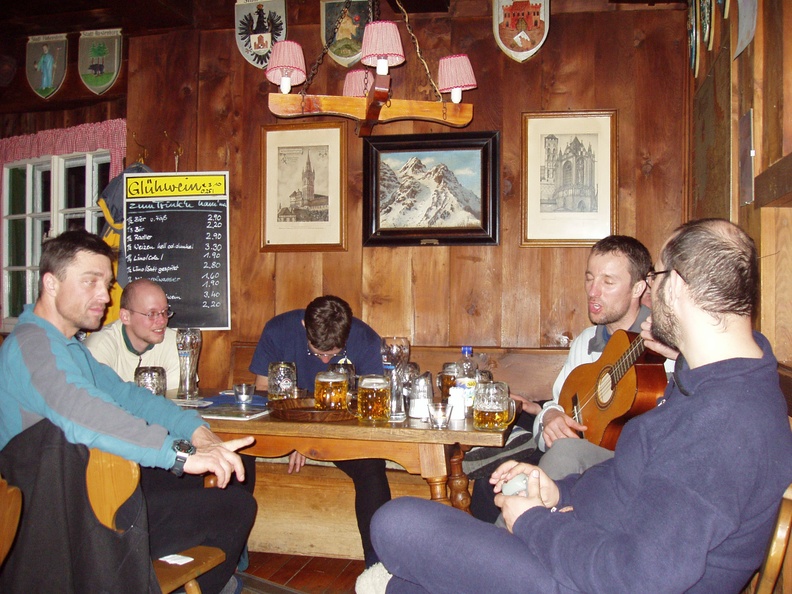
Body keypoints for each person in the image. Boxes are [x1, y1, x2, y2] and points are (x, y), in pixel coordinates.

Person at [368, 218, 792, 593]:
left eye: (657, 277)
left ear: (678, 285)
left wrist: (535, 522)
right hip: (592, 539)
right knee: (406, 582)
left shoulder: (722, 423)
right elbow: (631, 477)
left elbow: (641, 577)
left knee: (397, 523)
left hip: (597, 576)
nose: (652, 290)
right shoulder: (722, 380)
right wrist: (557, 491)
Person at [0, 230, 256, 594]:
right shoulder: (32, 345)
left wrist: (197, 432)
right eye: (90, 282)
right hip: (55, 525)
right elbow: (81, 413)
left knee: (225, 479)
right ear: (51, 283)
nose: (105, 297)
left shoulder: (68, 347)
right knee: (234, 507)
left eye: (106, 284)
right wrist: (178, 454)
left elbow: (129, 397)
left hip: (91, 493)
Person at [470, 235, 672, 522]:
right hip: (583, 451)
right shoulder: (586, 341)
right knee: (494, 479)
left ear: (639, 287)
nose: (593, 291)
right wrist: (550, 416)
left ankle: (508, 538)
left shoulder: (664, 340)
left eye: (608, 282)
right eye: (590, 278)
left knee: (563, 453)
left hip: (632, 463)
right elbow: (558, 404)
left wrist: (677, 353)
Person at [249, 295, 390, 567]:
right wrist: (299, 436)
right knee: (238, 452)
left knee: (371, 465)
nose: (325, 359)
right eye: (318, 353)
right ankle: (230, 559)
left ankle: (377, 568)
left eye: (333, 353)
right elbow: (263, 392)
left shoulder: (365, 338)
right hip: (286, 426)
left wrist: (312, 438)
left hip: (342, 431)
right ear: (304, 325)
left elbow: (369, 406)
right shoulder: (278, 330)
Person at [85, 278, 180, 392]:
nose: (162, 321)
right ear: (126, 317)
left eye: (165, 312)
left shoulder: (174, 342)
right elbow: (95, 399)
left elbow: (176, 398)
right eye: (151, 314)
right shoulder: (99, 347)